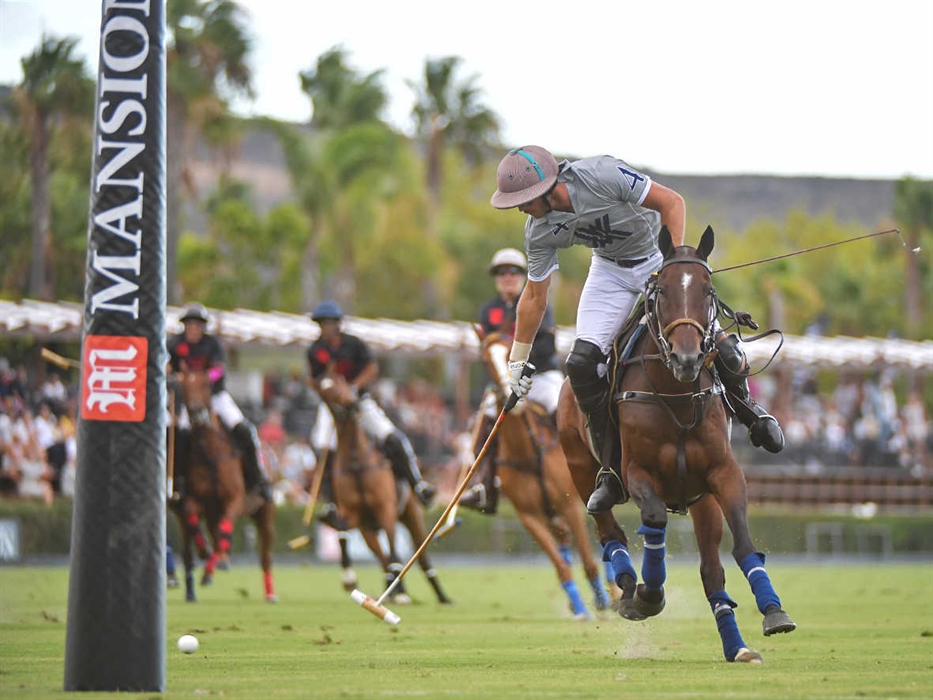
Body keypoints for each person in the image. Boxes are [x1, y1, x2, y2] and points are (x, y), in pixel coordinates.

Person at [489, 145, 784, 514]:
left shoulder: (602, 174)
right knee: (581, 364)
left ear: (547, 188)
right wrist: (517, 360)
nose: (519, 207)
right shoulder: (538, 231)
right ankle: (612, 471)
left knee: (720, 348)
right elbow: (534, 296)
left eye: (523, 200)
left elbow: (672, 203)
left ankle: (750, 411)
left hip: (658, 261)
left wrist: (673, 267)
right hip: (609, 273)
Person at [306, 300, 436, 528]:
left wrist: (353, 388)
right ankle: (333, 503)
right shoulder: (314, 351)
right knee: (320, 445)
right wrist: (330, 390)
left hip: (359, 402)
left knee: (391, 436)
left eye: (330, 322)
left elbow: (371, 368)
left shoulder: (353, 344)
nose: (326, 327)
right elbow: (315, 381)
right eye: (322, 323)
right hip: (332, 407)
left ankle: (417, 484)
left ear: (338, 324)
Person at [458, 247, 564, 514]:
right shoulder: (489, 311)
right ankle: (486, 485)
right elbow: (488, 351)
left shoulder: (537, 300)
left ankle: (584, 466)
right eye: (501, 272)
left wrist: (522, 371)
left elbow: (547, 345)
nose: (507, 277)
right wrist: (502, 379)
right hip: (505, 383)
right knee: (481, 424)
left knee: (561, 411)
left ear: (522, 276)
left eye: (513, 272)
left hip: (539, 377)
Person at [167, 302, 272, 502]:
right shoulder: (175, 344)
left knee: (244, 429)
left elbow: (218, 369)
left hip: (215, 397)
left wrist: (201, 378)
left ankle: (258, 478)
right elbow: (167, 368)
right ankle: (178, 482)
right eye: (189, 324)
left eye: (197, 325)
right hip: (187, 400)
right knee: (178, 435)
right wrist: (175, 376)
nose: (193, 328)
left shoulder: (212, 344)